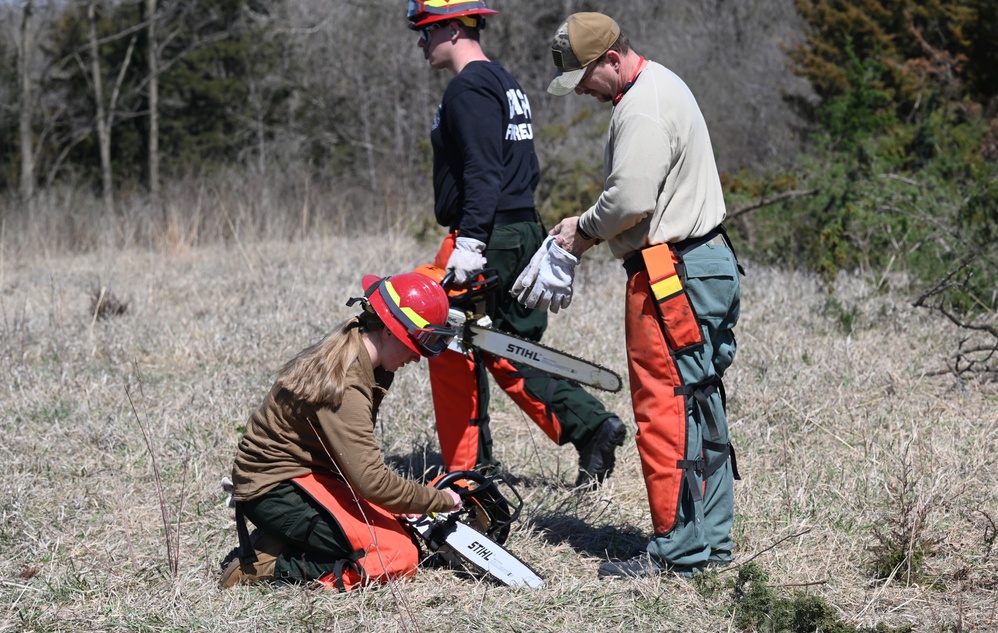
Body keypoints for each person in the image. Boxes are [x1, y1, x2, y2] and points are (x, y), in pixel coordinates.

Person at [515, 12, 743, 578]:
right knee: (697, 399)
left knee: (666, 406)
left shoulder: (640, 106)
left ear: (611, 59)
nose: (584, 92)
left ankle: (680, 551)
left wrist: (581, 231)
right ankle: (708, 541)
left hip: (672, 273)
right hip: (702, 263)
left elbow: (631, 199)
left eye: (585, 79)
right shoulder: (661, 85)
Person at [407, 0, 626, 487]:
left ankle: (471, 473)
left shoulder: (469, 89)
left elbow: (484, 171)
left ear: (452, 27)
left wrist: (470, 245)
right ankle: (584, 427)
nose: (421, 43)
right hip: (515, 224)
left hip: (491, 232)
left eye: (425, 31)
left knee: (461, 345)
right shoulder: (501, 82)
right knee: (504, 345)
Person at [218, 271, 463, 591]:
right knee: (397, 555)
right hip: (274, 488)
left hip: (304, 476)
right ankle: (267, 566)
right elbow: (372, 482)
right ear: (389, 330)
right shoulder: (347, 379)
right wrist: (439, 500)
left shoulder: (357, 344)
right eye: (415, 343)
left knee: (401, 528)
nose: (417, 357)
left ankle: (283, 541)